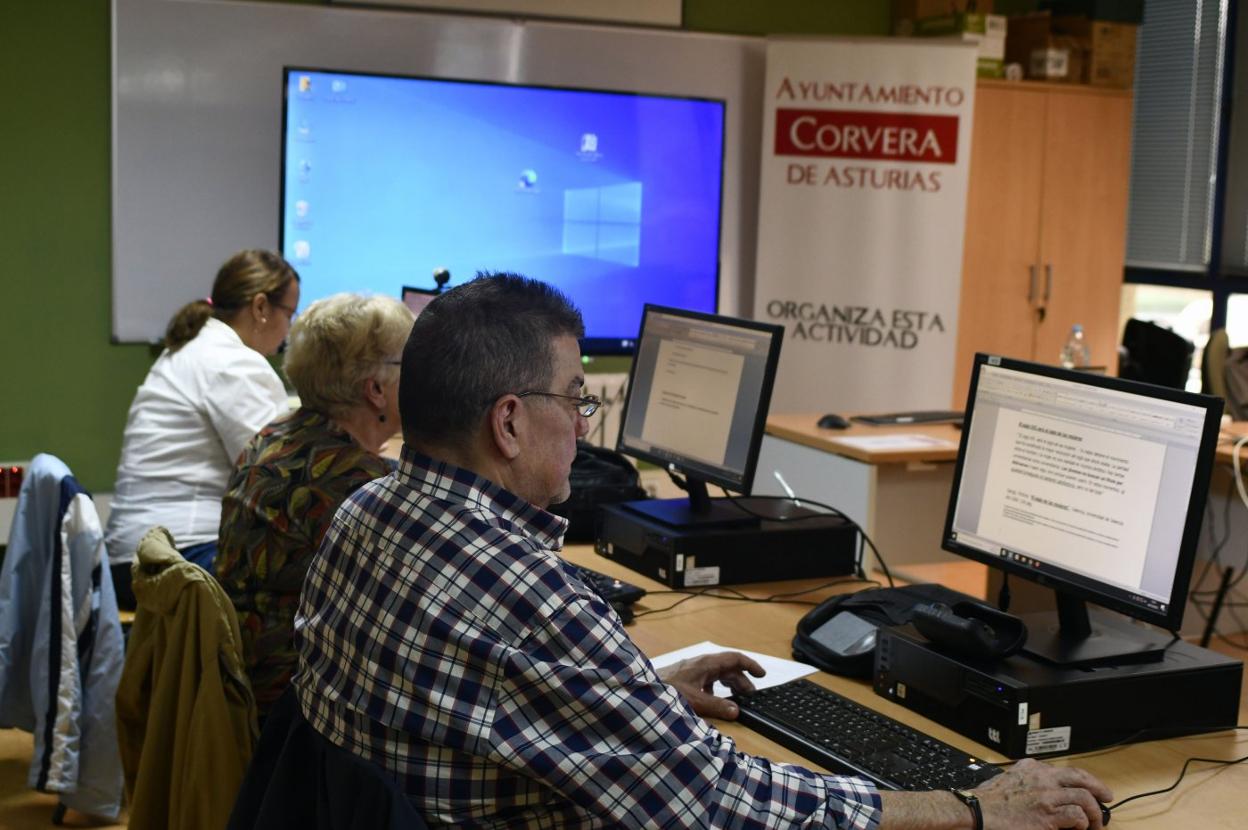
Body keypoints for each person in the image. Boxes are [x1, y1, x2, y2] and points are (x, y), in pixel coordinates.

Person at [294, 274, 1112, 829]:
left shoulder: (366, 511)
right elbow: (717, 806)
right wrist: (967, 807)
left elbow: (472, 694)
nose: (583, 426)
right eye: (574, 400)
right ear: (507, 423)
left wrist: (630, 690)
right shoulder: (537, 604)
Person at [215, 293, 414, 717]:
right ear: (376, 389)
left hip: (246, 683)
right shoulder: (359, 486)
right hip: (299, 710)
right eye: (409, 365)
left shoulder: (271, 437)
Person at [105, 249, 299, 608]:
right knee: (312, 581)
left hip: (131, 555)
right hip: (181, 556)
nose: (289, 330)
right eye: (290, 313)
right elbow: (279, 476)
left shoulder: (188, 349)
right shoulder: (233, 363)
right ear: (260, 307)